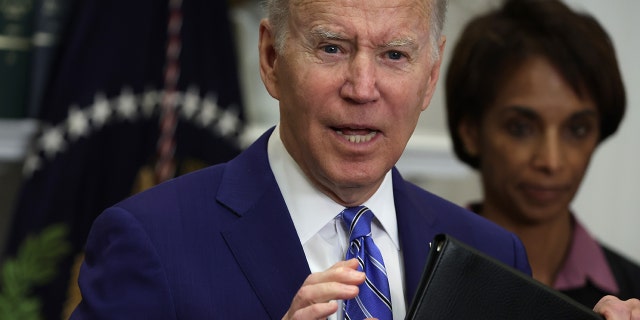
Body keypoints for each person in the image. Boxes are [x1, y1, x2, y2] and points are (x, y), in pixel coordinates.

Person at [70, 0, 639, 318]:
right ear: (271, 58)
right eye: (332, 48)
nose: (363, 88)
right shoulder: (149, 241)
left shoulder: (492, 255)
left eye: (395, 55)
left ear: (429, 77)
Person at [445, 0, 640, 311]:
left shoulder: (634, 293)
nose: (551, 161)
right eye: (521, 128)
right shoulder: (410, 272)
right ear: (471, 132)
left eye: (577, 130)